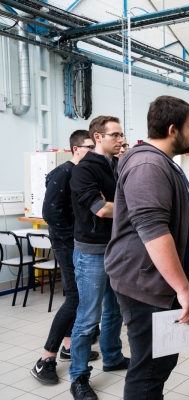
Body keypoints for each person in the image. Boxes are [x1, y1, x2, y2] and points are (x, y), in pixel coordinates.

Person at [105, 95, 189, 399]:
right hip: (144, 284)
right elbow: (153, 231)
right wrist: (183, 289)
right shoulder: (148, 164)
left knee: (160, 362)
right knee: (148, 370)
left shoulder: (161, 162)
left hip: (158, 283)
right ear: (173, 130)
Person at [31, 131, 99, 385]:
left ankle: (69, 347)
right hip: (68, 245)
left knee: (80, 298)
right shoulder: (63, 172)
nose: (93, 151)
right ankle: (45, 359)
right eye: (89, 147)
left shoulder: (84, 173)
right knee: (74, 299)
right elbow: (50, 212)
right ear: (75, 148)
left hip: (79, 244)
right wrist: (73, 238)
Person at [69, 116, 129, 400]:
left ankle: (113, 356)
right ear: (98, 137)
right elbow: (101, 210)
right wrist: (134, 206)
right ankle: (79, 376)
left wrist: (117, 203)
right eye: (115, 135)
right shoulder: (84, 171)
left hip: (116, 249)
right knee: (88, 317)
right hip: (92, 253)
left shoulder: (117, 165)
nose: (120, 139)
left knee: (115, 311)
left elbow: (114, 204)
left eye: (121, 134)